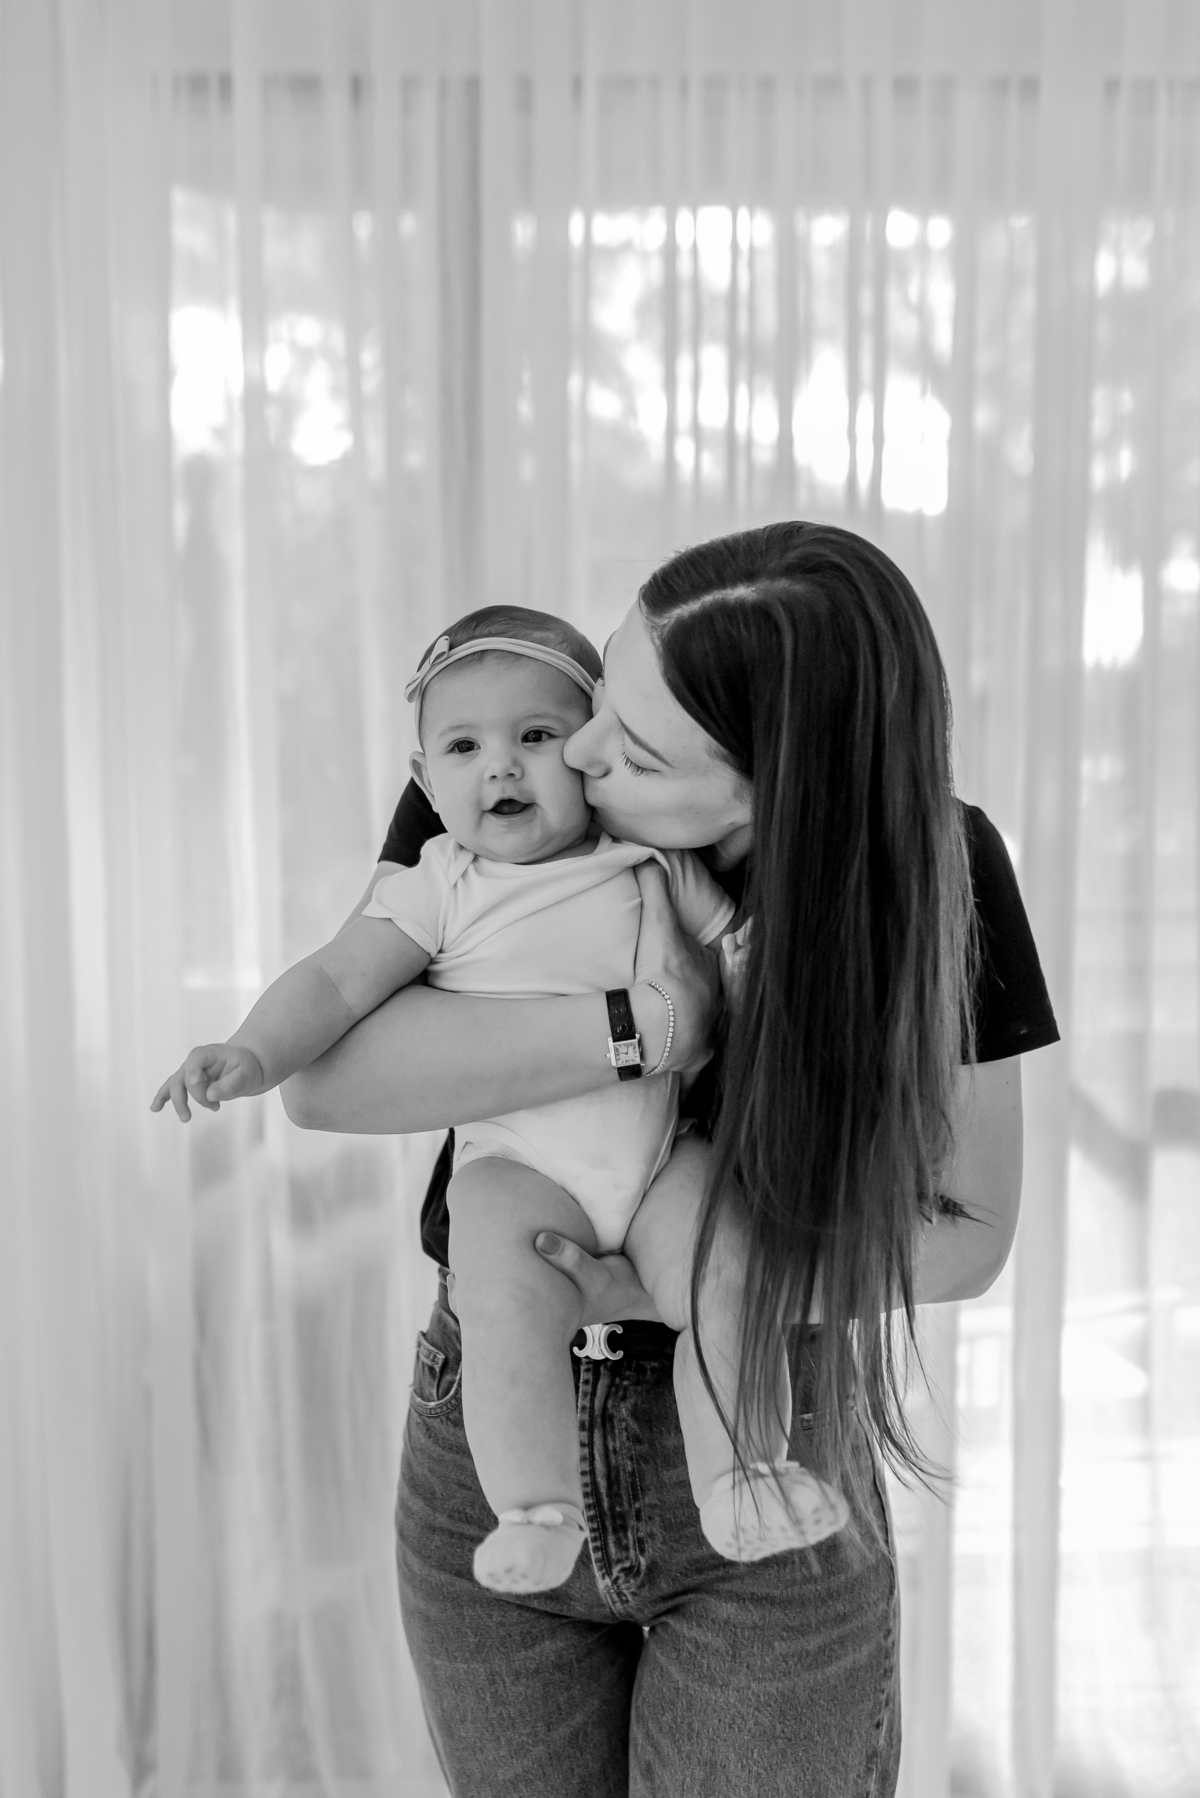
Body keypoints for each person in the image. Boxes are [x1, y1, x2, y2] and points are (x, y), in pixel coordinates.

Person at [283, 524, 1060, 1798]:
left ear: (764, 795)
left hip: (759, 1430)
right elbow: (329, 1076)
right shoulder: (499, 759)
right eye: (606, 698)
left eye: (632, 749)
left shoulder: (937, 868)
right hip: (494, 1440)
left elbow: (968, 1231)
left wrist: (660, 1284)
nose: (576, 750)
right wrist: (641, 1028)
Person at [151, 604, 847, 1598]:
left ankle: (741, 1473)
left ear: (596, 752)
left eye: (537, 737)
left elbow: (746, 957)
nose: (502, 768)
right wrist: (252, 1051)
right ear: (426, 778)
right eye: (465, 747)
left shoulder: (650, 859)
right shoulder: (440, 885)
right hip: (517, 1164)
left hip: (657, 1160)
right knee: (506, 1303)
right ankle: (536, 1505)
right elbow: (338, 985)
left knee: (727, 1272)